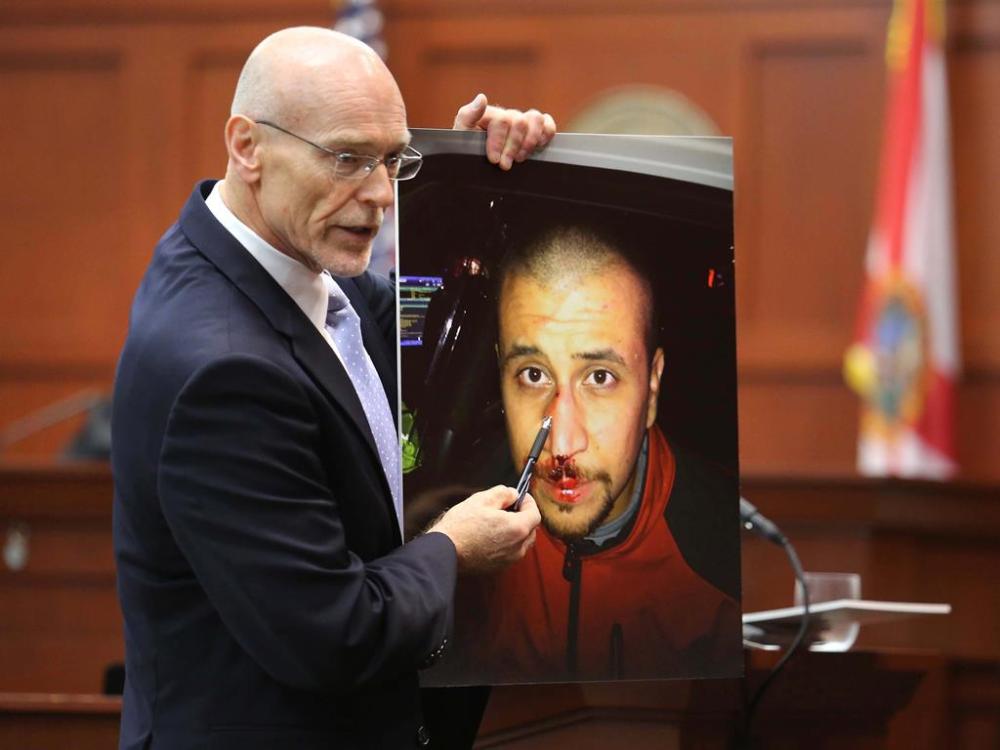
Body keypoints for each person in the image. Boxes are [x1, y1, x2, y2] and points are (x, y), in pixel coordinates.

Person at [111, 26, 552, 749]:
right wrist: (452, 547)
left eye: (393, 159)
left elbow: (435, 333)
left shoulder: (276, 261)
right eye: (347, 159)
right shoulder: (225, 371)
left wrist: (469, 186)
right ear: (247, 146)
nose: (380, 195)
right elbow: (335, 633)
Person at [443, 222, 741, 683]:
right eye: (533, 375)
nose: (562, 445)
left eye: (600, 377)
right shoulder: (462, 521)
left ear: (652, 389)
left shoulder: (731, 559)